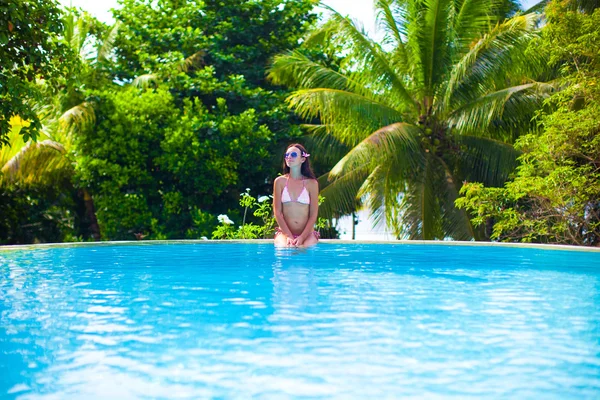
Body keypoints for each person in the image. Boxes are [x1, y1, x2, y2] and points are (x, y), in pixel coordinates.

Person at [273, 143, 319, 247]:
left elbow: (313, 214)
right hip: (285, 234)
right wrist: (288, 236)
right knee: (284, 249)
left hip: (307, 235)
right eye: (287, 155)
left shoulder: (312, 183)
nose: (289, 157)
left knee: (304, 251)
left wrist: (302, 237)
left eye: (293, 155)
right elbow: (278, 212)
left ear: (303, 159)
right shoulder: (280, 182)